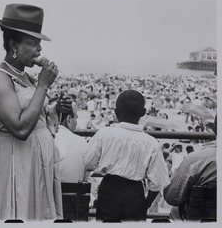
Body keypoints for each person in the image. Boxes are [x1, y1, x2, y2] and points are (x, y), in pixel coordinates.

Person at [0, 3, 72, 221]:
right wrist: (43, 86)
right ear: (13, 44)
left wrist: (55, 108)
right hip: (17, 159)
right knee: (18, 209)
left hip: (34, 159)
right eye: (32, 43)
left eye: (39, 43)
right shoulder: (0, 78)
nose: (39, 49)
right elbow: (19, 128)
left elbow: (34, 113)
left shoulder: (25, 76)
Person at [83, 90, 170, 222]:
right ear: (143, 113)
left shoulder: (104, 133)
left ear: (116, 112)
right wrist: (145, 204)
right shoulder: (151, 142)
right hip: (134, 194)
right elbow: (157, 183)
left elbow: (89, 163)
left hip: (109, 191)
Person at [164, 116, 217, 221]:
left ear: (215, 128)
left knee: (175, 210)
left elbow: (171, 197)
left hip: (204, 219)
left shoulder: (195, 160)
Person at [54, 102, 89, 183]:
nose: (76, 123)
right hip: (74, 194)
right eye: (76, 118)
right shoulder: (82, 143)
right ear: (69, 120)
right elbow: (85, 179)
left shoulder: (45, 141)